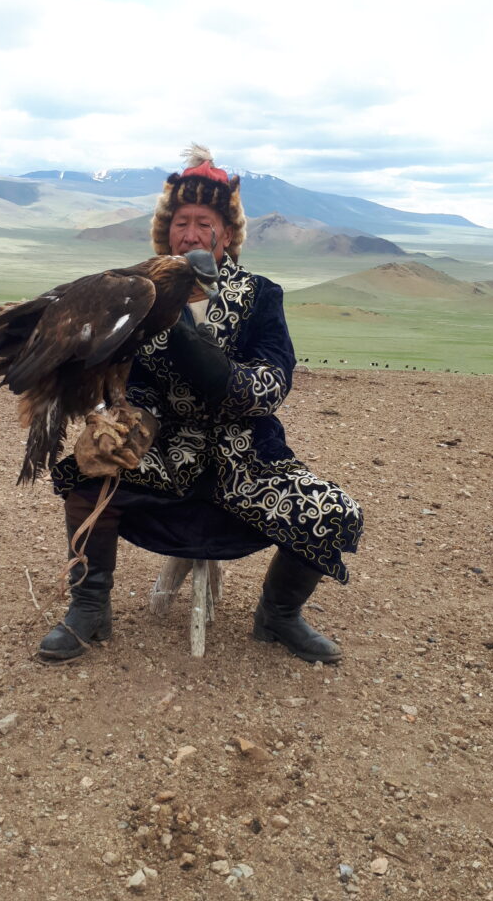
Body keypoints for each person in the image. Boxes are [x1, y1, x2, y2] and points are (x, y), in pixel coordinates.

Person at [38, 145, 363, 663]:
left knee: (333, 510)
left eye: (203, 222)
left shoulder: (260, 296)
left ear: (227, 235)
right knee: (85, 475)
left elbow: (276, 381)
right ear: (167, 232)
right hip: (165, 452)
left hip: (247, 458)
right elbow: (130, 379)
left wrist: (219, 371)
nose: (189, 233)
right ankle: (90, 606)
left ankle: (278, 616)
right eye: (181, 222)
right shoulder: (140, 296)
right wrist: (125, 419)